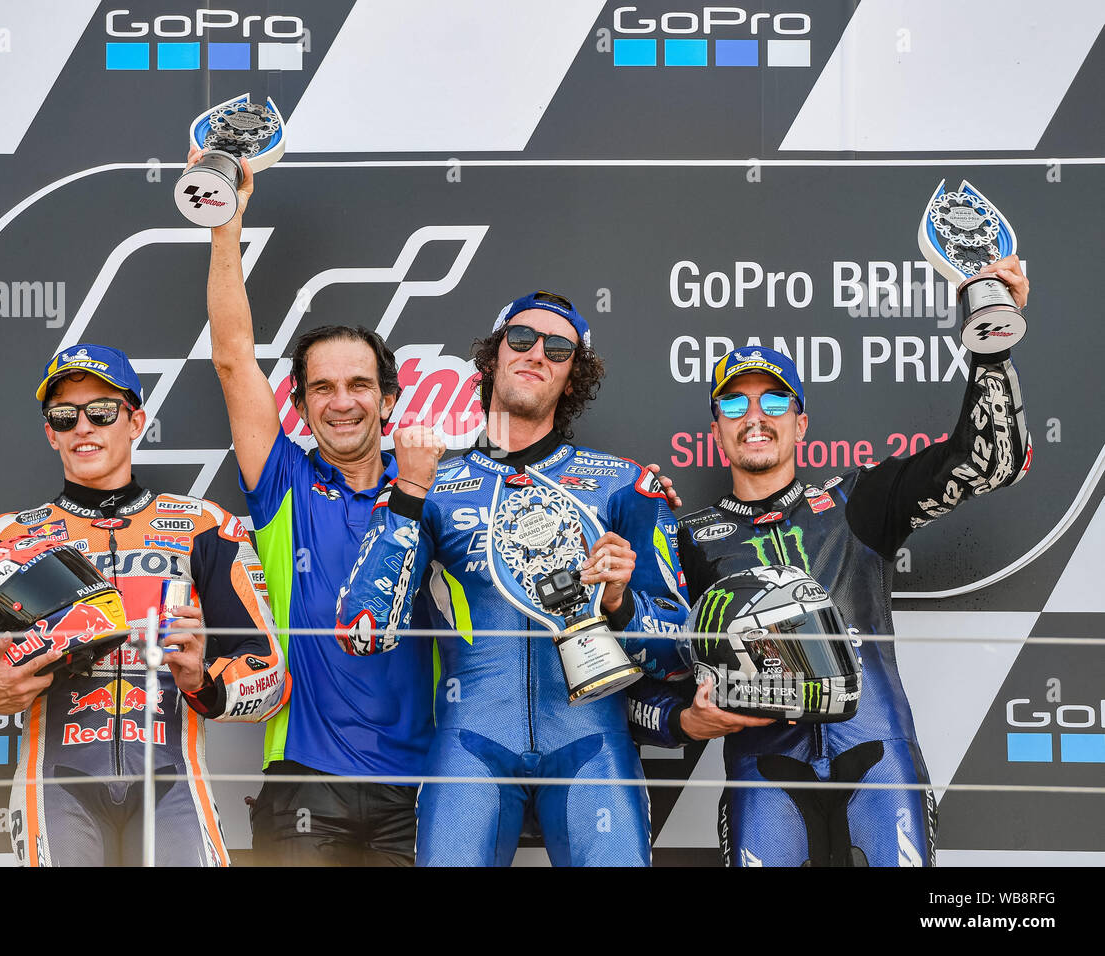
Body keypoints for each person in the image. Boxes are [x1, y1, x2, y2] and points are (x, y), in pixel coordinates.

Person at [628, 256, 1032, 866]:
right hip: (763, 773)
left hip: (878, 758)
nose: (755, 417)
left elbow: (991, 458)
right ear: (717, 428)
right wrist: (685, 722)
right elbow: (632, 682)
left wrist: (992, 329)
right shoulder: (687, 537)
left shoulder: (857, 501)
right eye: (734, 405)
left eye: (773, 401)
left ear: (801, 420)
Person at [336, 290, 690, 866]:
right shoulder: (432, 481)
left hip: (592, 742)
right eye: (521, 339)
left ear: (573, 377)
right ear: (492, 357)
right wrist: (407, 495)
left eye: (558, 348)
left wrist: (622, 605)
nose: (536, 354)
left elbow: (679, 653)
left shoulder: (624, 485)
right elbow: (361, 632)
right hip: (471, 744)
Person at [0, 344, 287, 866]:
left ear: (136, 421)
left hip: (173, 783)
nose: (83, 427)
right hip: (57, 786)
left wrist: (204, 681)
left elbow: (270, 678)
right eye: (65, 415)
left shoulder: (206, 527)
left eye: (101, 411)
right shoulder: (2, 540)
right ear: (50, 433)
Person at [201, 151, 434, 865]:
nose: (342, 401)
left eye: (360, 384)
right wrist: (223, 220)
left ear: (388, 398)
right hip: (305, 778)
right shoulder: (282, 485)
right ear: (298, 405)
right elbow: (235, 356)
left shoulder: (433, 488)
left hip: (421, 783)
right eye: (322, 388)